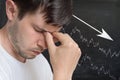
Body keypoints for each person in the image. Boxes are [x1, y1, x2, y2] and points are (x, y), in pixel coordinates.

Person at [0, 0, 81, 80]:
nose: (44, 45)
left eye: (52, 35)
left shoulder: (41, 63)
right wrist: (63, 74)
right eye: (38, 30)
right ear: (11, 10)